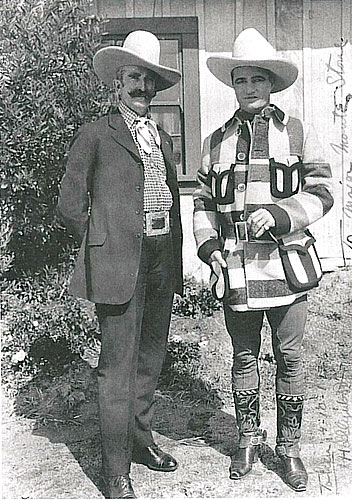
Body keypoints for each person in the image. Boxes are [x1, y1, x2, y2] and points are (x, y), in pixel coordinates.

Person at [193, 28, 333, 492]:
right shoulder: (216, 141)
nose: (249, 88)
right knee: (244, 355)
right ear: (232, 86)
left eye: (257, 79)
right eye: (241, 80)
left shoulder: (295, 129)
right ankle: (248, 439)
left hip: (287, 265)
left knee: (290, 357)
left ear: (271, 83)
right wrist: (209, 248)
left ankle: (289, 448)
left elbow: (323, 191)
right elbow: (202, 204)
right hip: (236, 270)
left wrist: (280, 213)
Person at [57, 30, 183, 499]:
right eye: (134, 78)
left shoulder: (163, 138)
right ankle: (115, 472)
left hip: (160, 258)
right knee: (117, 369)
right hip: (117, 265)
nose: (142, 88)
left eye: (149, 80)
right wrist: (102, 243)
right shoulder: (95, 134)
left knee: (150, 361)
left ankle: (141, 442)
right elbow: (69, 206)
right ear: (117, 83)